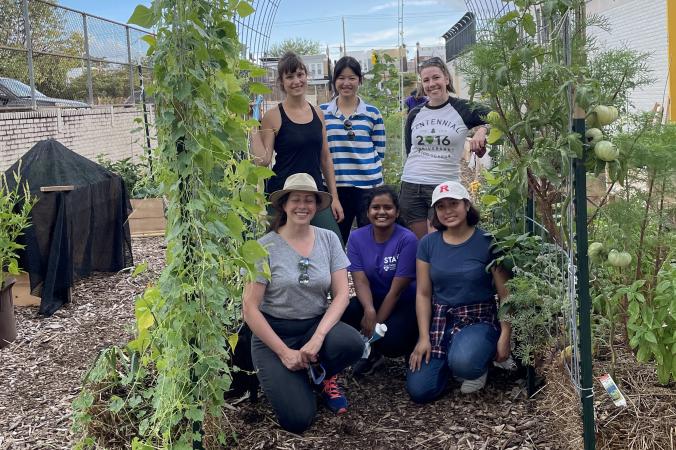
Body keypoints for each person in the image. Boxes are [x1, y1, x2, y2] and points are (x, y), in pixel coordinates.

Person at [243, 173, 363, 433]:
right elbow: (250, 308)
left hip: (313, 326)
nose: (302, 205)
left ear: (317, 206)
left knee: (352, 344)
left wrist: (318, 338)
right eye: (296, 199)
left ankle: (320, 373)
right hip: (275, 334)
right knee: (299, 420)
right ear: (284, 205)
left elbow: (342, 294)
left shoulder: (328, 239)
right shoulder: (263, 247)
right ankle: (297, 373)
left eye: (309, 200)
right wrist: (284, 353)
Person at [406, 181, 512, 402]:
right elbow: (424, 294)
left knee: (465, 363)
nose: (447, 211)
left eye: (453, 203)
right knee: (420, 390)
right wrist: (424, 337)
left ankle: (474, 365)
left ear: (466, 205)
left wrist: (505, 335)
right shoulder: (427, 244)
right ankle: (449, 360)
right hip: (441, 320)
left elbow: (505, 295)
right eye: (441, 206)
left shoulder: (487, 242)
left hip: (478, 317)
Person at [250, 52, 344, 242]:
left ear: (306, 76)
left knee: (332, 243)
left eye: (300, 75)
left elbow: (325, 158)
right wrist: (252, 126)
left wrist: (334, 197)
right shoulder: (273, 116)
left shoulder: (317, 113)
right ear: (282, 82)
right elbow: (263, 160)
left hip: (313, 192)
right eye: (289, 77)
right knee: (272, 251)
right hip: (281, 195)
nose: (296, 81)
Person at [400, 56, 490, 239]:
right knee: (420, 246)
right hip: (411, 186)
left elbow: (497, 117)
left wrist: (482, 130)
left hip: (442, 186)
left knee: (440, 243)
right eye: (426, 80)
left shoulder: (463, 108)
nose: (431, 84)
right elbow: (411, 150)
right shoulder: (415, 113)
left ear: (446, 79)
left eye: (436, 78)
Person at [341, 185, 419, 375]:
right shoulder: (357, 238)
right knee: (347, 310)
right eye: (376, 207)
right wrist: (369, 309)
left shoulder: (407, 239)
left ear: (397, 211)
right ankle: (372, 354)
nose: (381, 212)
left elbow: (396, 290)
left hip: (404, 302)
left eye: (388, 207)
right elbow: (360, 281)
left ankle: (409, 345)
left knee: (392, 342)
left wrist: (375, 324)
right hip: (373, 298)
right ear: (368, 212)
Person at [320, 56, 386, 244]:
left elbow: (379, 151)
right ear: (334, 81)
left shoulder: (372, 113)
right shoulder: (322, 112)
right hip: (335, 187)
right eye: (341, 78)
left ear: (360, 80)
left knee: (369, 241)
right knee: (336, 241)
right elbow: (321, 151)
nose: (346, 83)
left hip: (367, 186)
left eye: (352, 78)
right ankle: (339, 275)